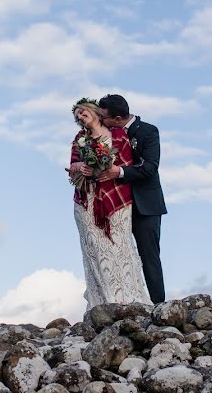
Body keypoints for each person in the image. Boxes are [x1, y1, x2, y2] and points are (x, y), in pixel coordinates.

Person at [68, 98, 151, 309]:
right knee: (96, 248)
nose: (79, 118)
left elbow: (126, 164)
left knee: (121, 246)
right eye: (77, 116)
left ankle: (131, 298)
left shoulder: (119, 135)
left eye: (82, 113)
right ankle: (103, 301)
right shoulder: (80, 139)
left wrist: (104, 169)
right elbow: (73, 165)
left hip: (117, 198)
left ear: (94, 113)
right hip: (88, 200)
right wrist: (82, 167)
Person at [96, 94, 167, 303]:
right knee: (118, 256)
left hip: (145, 206)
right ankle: (124, 301)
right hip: (116, 206)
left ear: (118, 119)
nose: (101, 120)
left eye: (104, 117)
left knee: (149, 257)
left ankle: (157, 305)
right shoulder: (104, 134)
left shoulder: (148, 131)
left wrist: (118, 172)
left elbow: (150, 168)